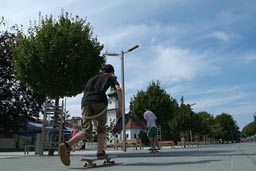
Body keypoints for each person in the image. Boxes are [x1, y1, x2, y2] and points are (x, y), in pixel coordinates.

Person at [58, 64, 122, 166]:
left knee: (86, 131)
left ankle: (67, 144)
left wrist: (94, 115)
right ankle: (100, 152)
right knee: (101, 128)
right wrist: (120, 108)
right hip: (100, 101)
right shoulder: (110, 77)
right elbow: (118, 89)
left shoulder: (92, 78)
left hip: (85, 102)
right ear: (111, 72)